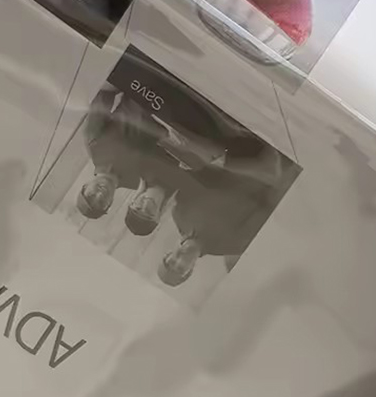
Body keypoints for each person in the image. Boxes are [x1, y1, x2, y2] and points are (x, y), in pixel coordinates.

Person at [158, 136, 294, 287]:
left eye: (171, 262)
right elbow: (270, 200)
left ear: (168, 254)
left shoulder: (179, 213)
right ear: (191, 269)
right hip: (273, 160)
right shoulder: (234, 245)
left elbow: (197, 173)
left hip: (231, 145)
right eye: (181, 268)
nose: (179, 260)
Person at [75, 86, 179, 236]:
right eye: (102, 203)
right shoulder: (143, 182)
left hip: (147, 88)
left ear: (85, 186)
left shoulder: (93, 142)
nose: (99, 195)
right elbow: (174, 156)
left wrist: (136, 82)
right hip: (176, 111)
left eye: (91, 195)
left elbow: (106, 92)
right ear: (110, 203)